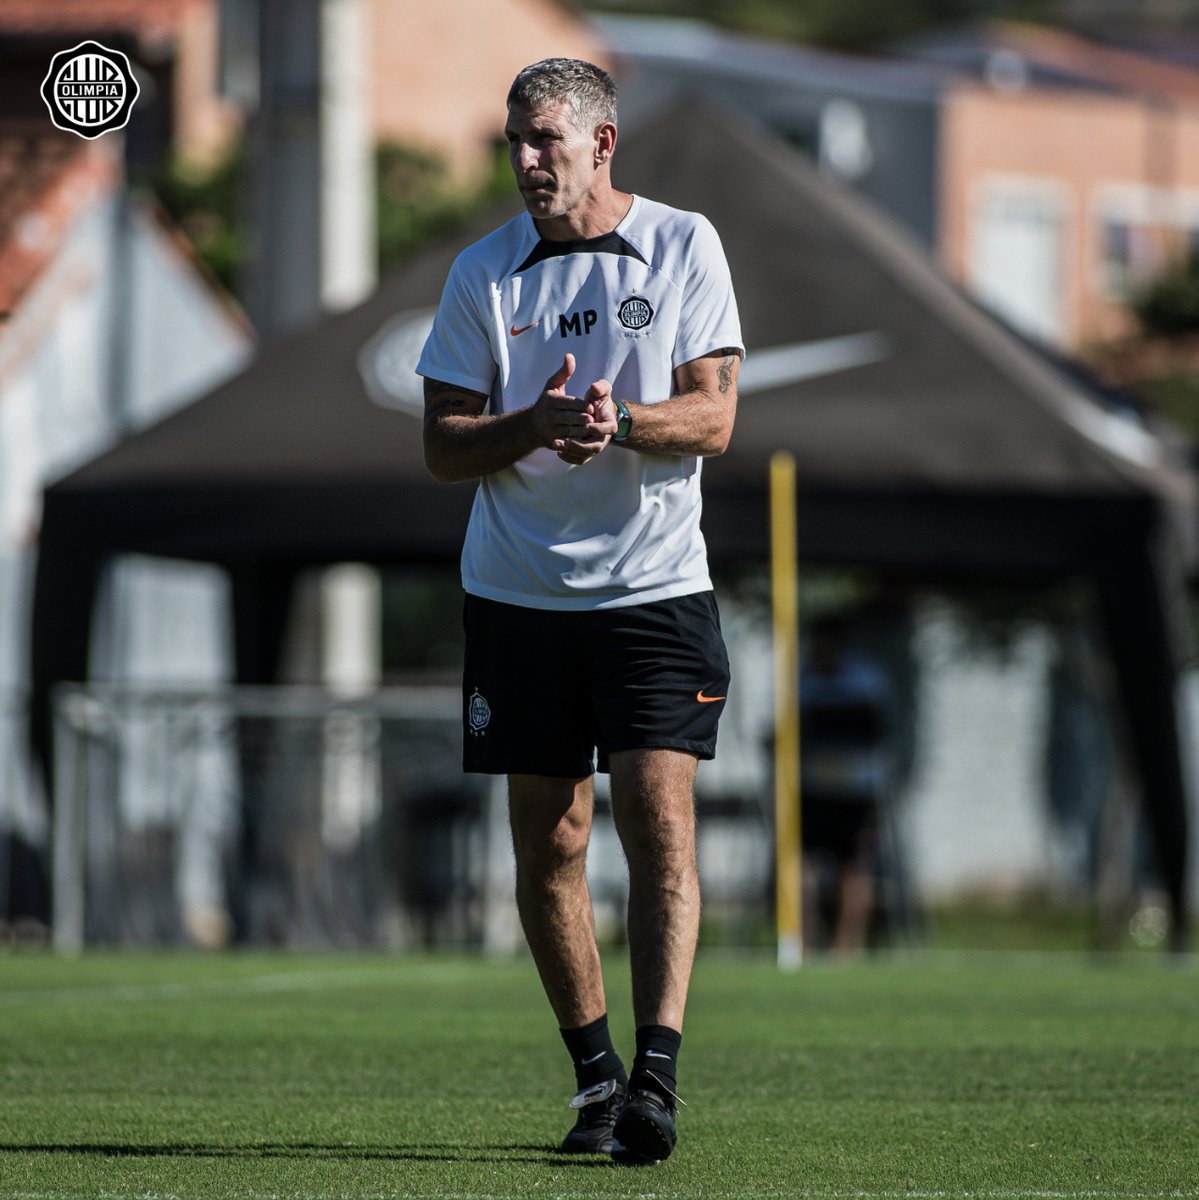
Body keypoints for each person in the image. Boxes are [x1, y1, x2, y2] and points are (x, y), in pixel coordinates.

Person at [416, 58, 743, 1165]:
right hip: (518, 598)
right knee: (550, 843)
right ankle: (594, 1083)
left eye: (543, 140)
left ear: (601, 143)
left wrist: (619, 424)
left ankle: (655, 1081)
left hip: (653, 591)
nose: (523, 162)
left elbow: (712, 419)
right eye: (512, 140)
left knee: (657, 825)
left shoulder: (685, 243)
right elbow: (439, 445)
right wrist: (533, 423)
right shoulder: (482, 273)